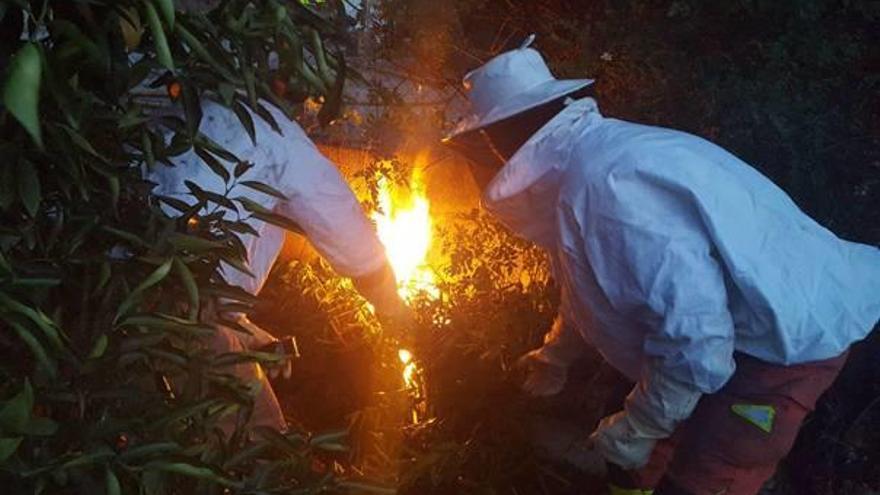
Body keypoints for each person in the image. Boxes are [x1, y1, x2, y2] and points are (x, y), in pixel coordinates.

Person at [444, 35, 880, 495]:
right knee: (653, 438)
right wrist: (556, 355)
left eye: (487, 142)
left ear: (503, 140)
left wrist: (640, 427)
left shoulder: (609, 189)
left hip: (782, 347)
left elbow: (697, 340)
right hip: (744, 332)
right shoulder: (591, 167)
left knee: (707, 470)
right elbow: (587, 289)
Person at [146, 98, 408, 431]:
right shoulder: (270, 129)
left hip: (122, 298)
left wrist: (246, 332)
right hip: (179, 316)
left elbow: (208, 274)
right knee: (259, 444)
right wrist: (396, 312)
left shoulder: (180, 111)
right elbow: (351, 239)